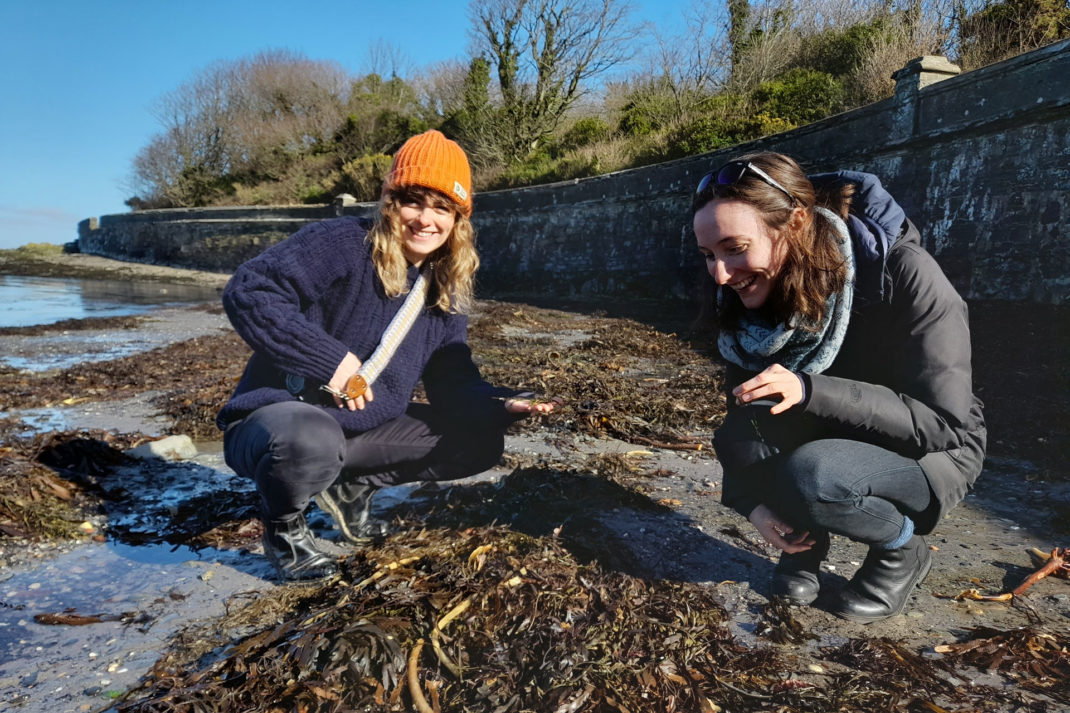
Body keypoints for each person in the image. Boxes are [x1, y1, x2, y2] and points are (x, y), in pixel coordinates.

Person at [217, 130, 557, 582]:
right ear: (389, 202)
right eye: (413, 201)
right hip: (274, 425)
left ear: (459, 219)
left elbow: (452, 381)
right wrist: (331, 362)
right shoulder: (341, 243)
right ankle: (283, 528)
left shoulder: (444, 290)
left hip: (360, 432)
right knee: (309, 438)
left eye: (442, 208)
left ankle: (353, 489)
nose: (425, 219)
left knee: (479, 440)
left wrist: (498, 406)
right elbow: (249, 291)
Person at [692, 152, 986, 622]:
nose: (721, 275)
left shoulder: (905, 272)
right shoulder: (752, 290)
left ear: (796, 223)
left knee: (814, 475)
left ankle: (902, 549)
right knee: (745, 432)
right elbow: (740, 418)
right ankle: (803, 546)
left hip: (934, 452)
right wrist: (754, 506)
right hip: (832, 430)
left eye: (734, 248)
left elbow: (944, 421)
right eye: (708, 255)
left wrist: (811, 390)